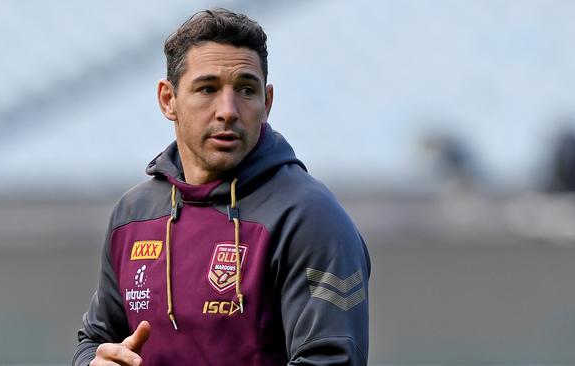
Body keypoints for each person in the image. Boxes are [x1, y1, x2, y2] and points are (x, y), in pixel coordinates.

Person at [73, 8, 370, 366]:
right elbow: (96, 339)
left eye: (246, 89)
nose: (228, 110)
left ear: (267, 103)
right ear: (169, 100)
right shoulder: (133, 216)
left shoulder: (309, 217)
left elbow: (329, 360)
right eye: (208, 89)